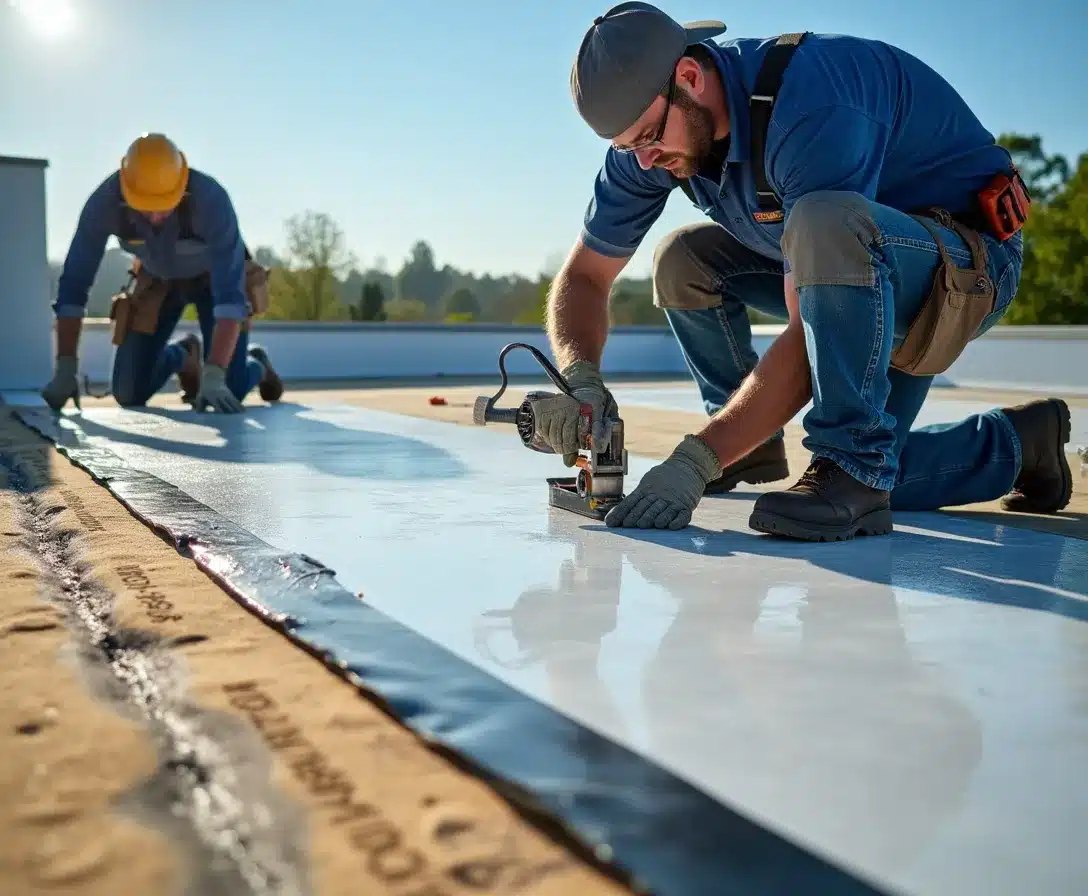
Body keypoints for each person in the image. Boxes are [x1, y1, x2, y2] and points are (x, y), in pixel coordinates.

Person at [536, 2, 1072, 540]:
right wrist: (579, 374)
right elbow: (584, 277)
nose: (645, 161)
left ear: (690, 77)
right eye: (628, 148)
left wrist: (696, 458)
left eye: (649, 138)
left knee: (879, 459)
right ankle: (751, 444)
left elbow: (804, 330)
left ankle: (862, 471)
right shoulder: (652, 140)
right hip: (850, 263)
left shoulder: (812, 104)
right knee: (683, 261)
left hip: (960, 270)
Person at [41, 132, 283, 414]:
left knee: (230, 390)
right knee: (128, 393)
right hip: (158, 281)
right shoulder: (104, 202)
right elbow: (74, 284)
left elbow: (230, 297)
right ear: (125, 188)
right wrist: (65, 368)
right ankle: (185, 355)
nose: (155, 218)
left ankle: (258, 364)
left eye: (164, 206)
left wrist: (215, 374)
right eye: (145, 208)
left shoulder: (211, 199)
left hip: (213, 282)